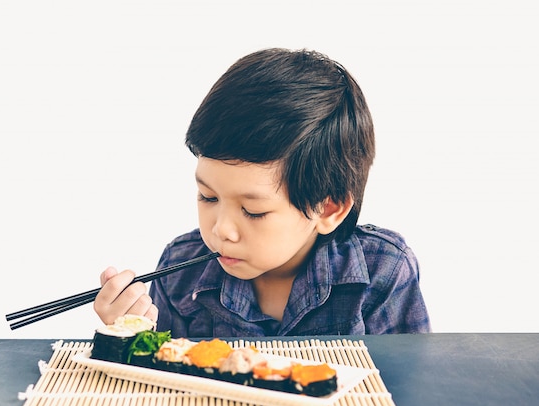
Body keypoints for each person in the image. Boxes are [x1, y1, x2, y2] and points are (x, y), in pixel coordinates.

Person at [94, 47, 431, 337]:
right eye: (208, 197)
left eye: (254, 211)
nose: (220, 229)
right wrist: (127, 333)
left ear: (328, 209)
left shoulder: (382, 271)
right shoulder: (182, 270)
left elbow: (406, 390)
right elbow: (162, 388)